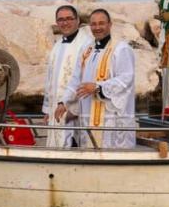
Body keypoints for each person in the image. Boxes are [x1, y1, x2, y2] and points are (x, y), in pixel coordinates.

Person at [56, 9, 136, 149]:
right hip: (89, 113)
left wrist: (98, 87)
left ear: (110, 24)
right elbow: (76, 78)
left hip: (110, 116)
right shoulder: (87, 49)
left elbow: (126, 78)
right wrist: (64, 102)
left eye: (101, 23)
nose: (97, 27)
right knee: (89, 150)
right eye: (93, 24)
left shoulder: (121, 49)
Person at [42, 5, 91, 147]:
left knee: (74, 146)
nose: (65, 23)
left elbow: (87, 78)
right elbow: (50, 80)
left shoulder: (86, 44)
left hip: (75, 110)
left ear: (78, 20)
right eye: (61, 20)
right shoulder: (57, 45)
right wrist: (47, 110)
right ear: (57, 23)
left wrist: (75, 109)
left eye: (69, 19)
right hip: (56, 109)